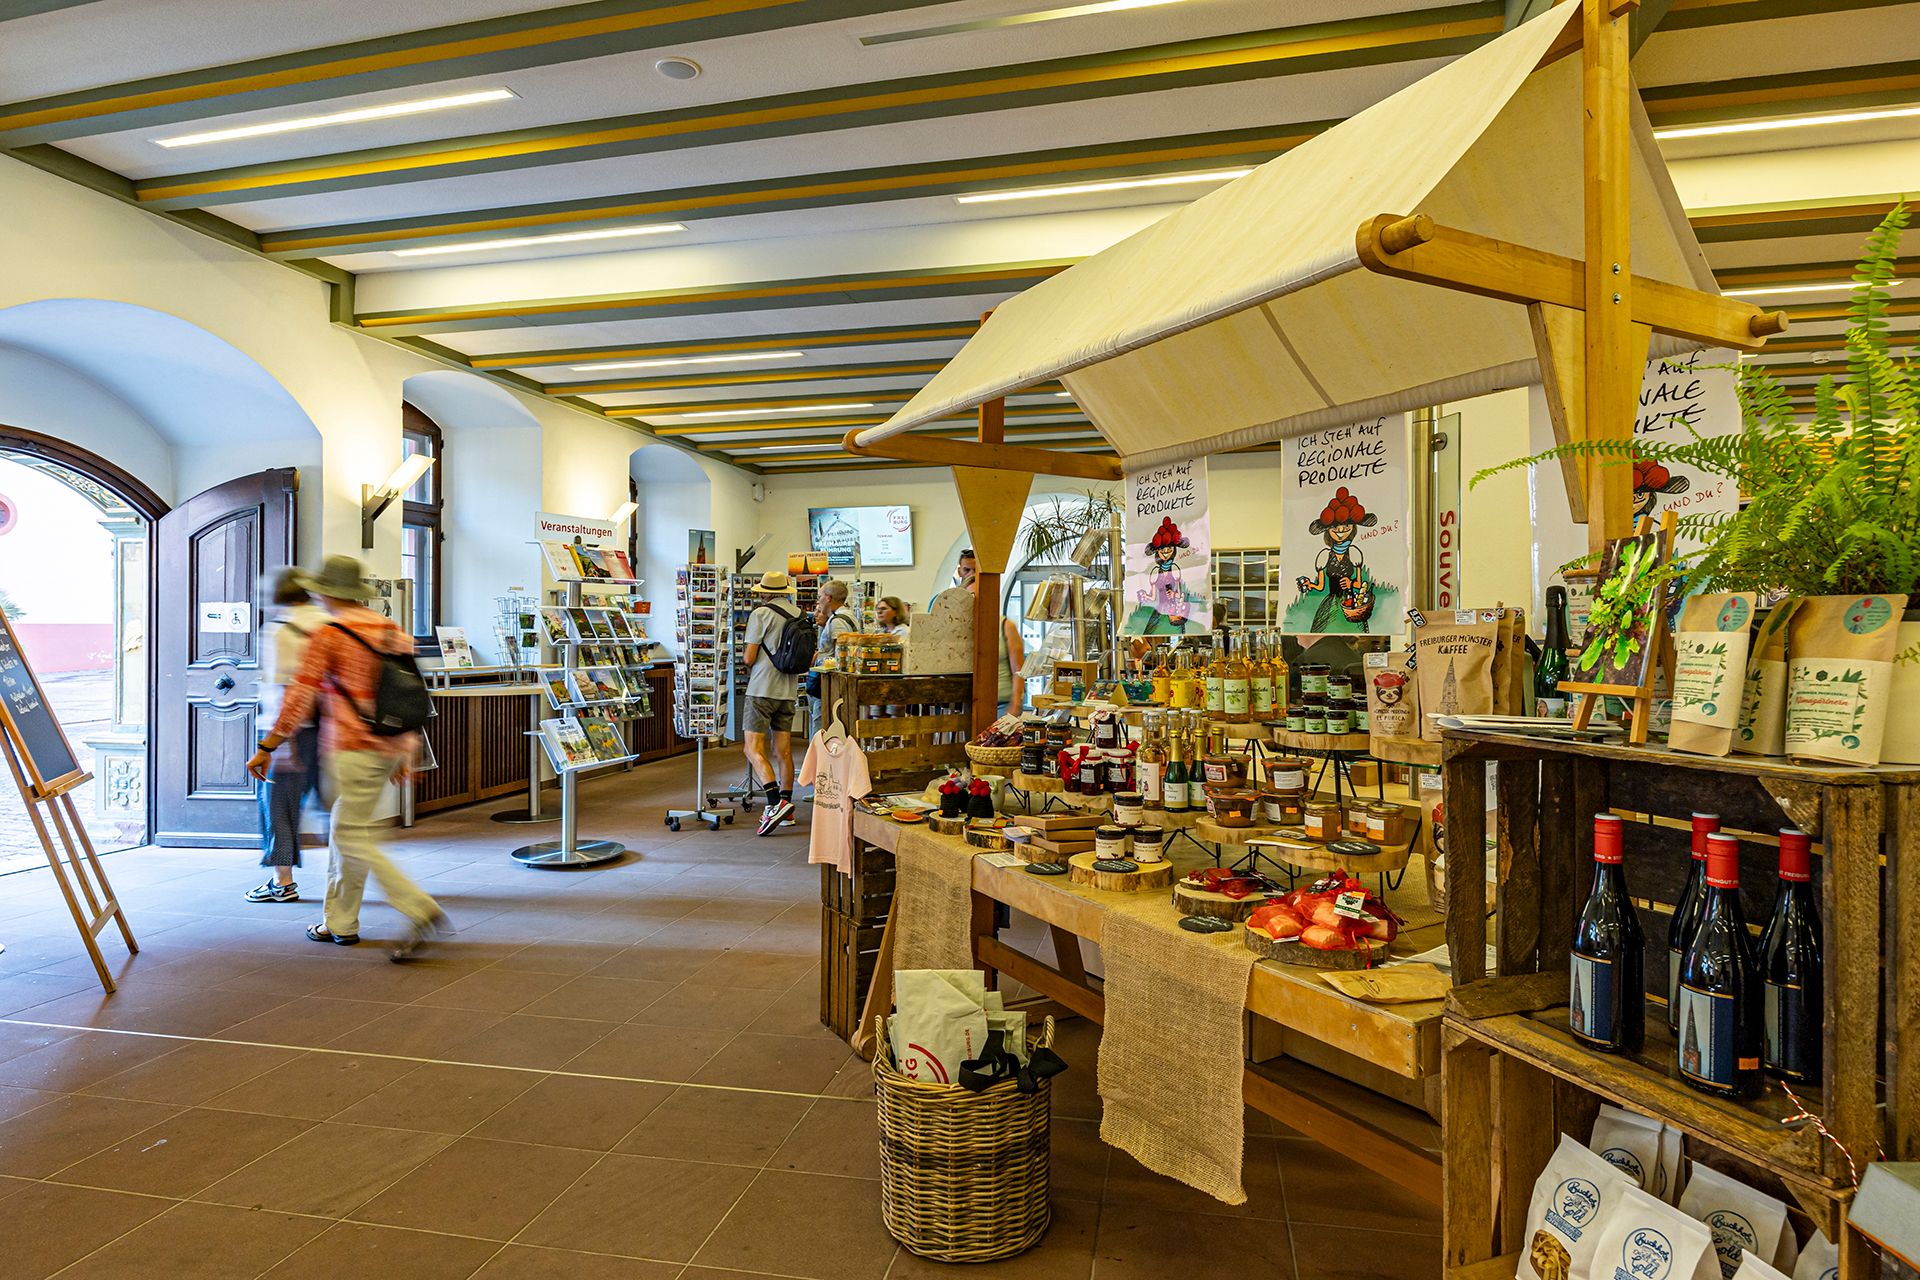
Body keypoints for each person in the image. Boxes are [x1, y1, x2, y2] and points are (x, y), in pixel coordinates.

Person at [246, 555, 447, 961]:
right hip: (389, 745)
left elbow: (300, 696)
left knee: (353, 836)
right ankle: (339, 922)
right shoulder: (389, 628)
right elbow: (408, 691)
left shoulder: (331, 634)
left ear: (326, 592)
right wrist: (407, 750)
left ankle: (418, 907)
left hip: (351, 748)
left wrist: (269, 745)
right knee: (345, 832)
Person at [247, 570, 329, 903]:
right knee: (334, 805)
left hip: (291, 731)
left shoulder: (280, 631)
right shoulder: (330, 622)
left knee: (278, 806)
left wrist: (273, 743)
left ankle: (282, 880)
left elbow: (284, 690)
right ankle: (345, 880)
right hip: (332, 728)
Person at [741, 570, 801, 835]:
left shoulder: (761, 614)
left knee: (752, 748)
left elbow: (749, 657)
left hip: (762, 689)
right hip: (788, 691)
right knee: (783, 751)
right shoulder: (799, 614)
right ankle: (787, 809)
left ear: (765, 593)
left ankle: (775, 803)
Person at [966, 574, 1026, 715]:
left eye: (981, 596)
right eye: (971, 597)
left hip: (1001, 705)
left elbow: (1019, 670)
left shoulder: (1006, 626)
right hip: (969, 705)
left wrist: (1016, 703)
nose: (976, 601)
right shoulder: (961, 630)